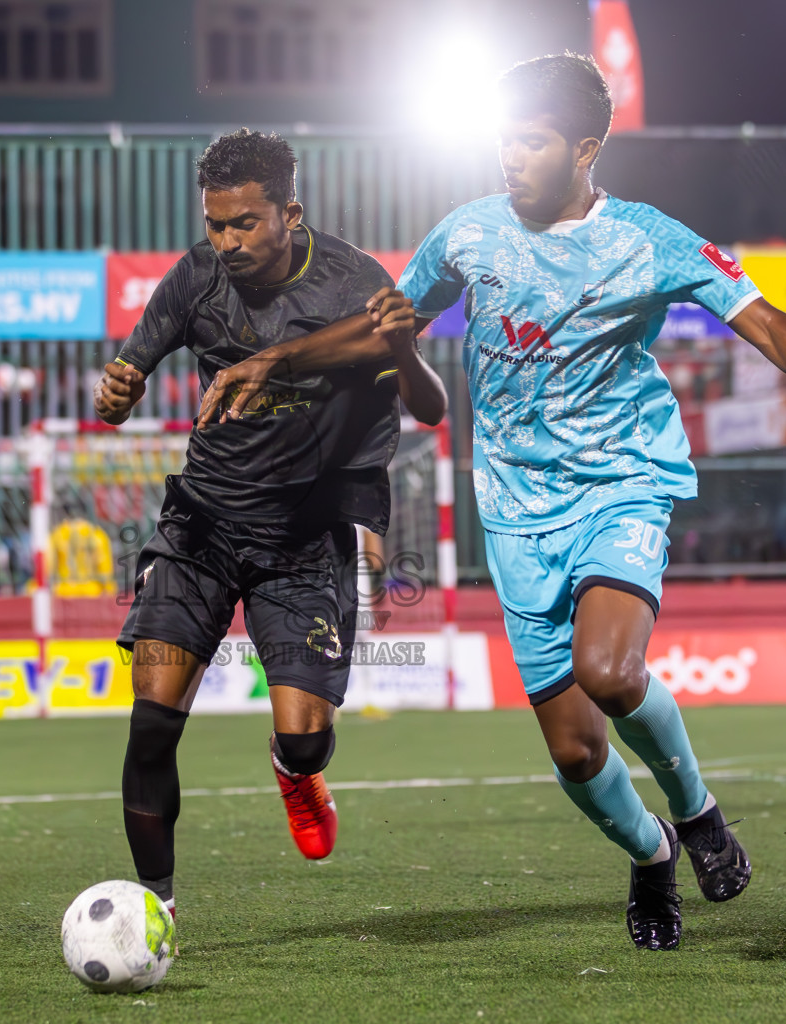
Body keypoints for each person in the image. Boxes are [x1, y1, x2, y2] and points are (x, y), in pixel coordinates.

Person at [205, 55, 786, 950]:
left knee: (612, 673)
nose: (511, 155)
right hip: (513, 510)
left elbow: (761, 315)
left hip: (622, 481)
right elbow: (386, 326)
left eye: (532, 140)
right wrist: (278, 358)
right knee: (577, 753)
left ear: (585, 148)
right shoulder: (468, 234)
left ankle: (696, 812)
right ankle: (653, 853)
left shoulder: (648, 239)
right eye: (504, 137)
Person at [94, 128, 448, 919]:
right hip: (201, 528)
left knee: (305, 736)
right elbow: (126, 377)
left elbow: (430, 407)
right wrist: (115, 393)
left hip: (304, 542)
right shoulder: (195, 278)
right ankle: (158, 909)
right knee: (151, 724)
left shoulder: (356, 283)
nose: (226, 241)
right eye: (216, 224)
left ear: (290, 211)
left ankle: (295, 771)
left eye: (244, 223)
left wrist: (404, 346)